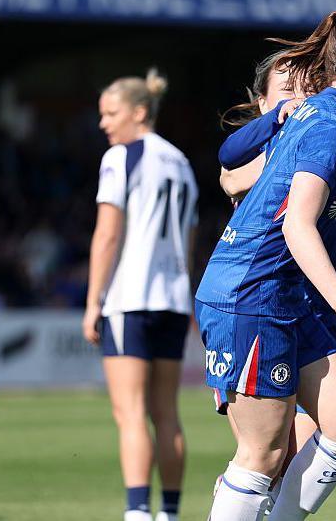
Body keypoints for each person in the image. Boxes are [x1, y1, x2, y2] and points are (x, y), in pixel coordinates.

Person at [195, 11, 336, 520]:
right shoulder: (325, 129)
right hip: (252, 297)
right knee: (264, 453)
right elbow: (295, 225)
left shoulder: (334, 122)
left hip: (290, 299)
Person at [82, 68, 199, 521]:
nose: (103, 124)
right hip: (171, 300)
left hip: (130, 298)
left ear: (138, 111)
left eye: (110, 113)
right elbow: (188, 240)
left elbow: (107, 235)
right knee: (166, 412)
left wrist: (93, 301)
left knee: (129, 413)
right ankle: (169, 512)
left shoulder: (120, 157)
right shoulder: (182, 162)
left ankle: (137, 512)